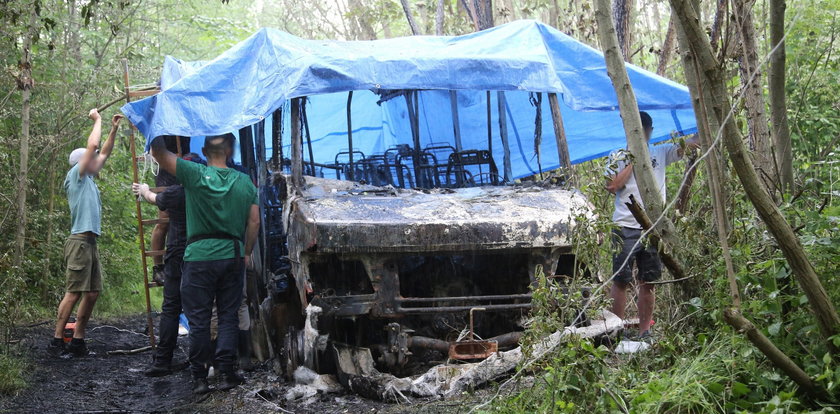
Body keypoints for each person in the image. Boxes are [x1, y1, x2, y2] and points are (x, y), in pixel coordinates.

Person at [150, 133, 260, 394]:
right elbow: (254, 221)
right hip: (232, 255)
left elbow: (159, 153)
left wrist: (154, 124)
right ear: (231, 151)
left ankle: (199, 378)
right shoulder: (244, 181)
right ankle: (226, 373)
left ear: (204, 150)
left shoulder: (193, 174)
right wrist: (246, 251)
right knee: (227, 315)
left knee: (198, 320)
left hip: (198, 256)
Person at [604, 111, 697, 340]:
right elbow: (613, 185)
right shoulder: (616, 156)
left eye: (646, 130)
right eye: (638, 131)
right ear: (630, 131)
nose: (643, 134)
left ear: (650, 132)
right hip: (624, 226)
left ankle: (645, 331)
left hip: (652, 227)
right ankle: (617, 332)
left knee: (649, 280)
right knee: (621, 280)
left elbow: (692, 144)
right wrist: (634, 161)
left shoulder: (660, 152)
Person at [48, 109, 123, 358]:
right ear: (82, 162)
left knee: (91, 293)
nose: (96, 161)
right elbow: (93, 144)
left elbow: (104, 152)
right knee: (74, 292)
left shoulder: (89, 179)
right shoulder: (77, 176)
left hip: (90, 242)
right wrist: (97, 120)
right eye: (91, 159)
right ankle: (57, 341)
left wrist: (112, 129)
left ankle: (78, 341)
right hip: (79, 241)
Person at [132, 152, 204, 376]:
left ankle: (163, 360)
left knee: (171, 307)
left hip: (178, 252)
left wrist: (144, 190)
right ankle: (202, 363)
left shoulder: (176, 193)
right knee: (200, 309)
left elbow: (154, 199)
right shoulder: (209, 192)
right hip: (200, 254)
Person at [149, 136, 191, 286]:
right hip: (166, 167)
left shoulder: (186, 115)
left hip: (185, 162)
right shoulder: (161, 117)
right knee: (164, 219)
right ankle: (158, 267)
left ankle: (185, 260)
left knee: (188, 214)